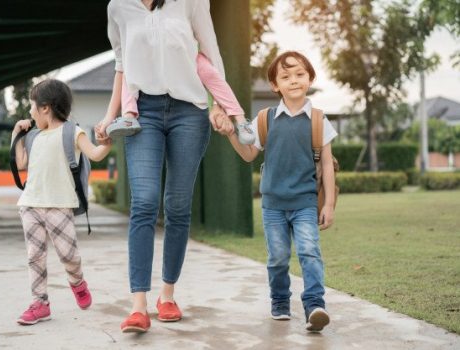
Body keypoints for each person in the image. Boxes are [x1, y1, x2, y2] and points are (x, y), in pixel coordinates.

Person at [97, 0, 234, 333]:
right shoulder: (119, 7)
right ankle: (138, 305)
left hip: (190, 111)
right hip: (142, 112)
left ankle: (167, 295)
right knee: (143, 201)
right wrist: (109, 114)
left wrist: (222, 105)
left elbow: (212, 52)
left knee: (177, 205)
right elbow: (121, 64)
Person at [225, 51, 338, 332]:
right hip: (273, 204)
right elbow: (249, 154)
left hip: (305, 203)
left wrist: (329, 205)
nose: (294, 81)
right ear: (275, 86)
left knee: (310, 252)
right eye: (285, 76)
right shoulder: (265, 119)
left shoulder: (318, 120)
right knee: (277, 258)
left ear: (310, 78)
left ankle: (315, 306)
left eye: (300, 74)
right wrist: (230, 134)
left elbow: (327, 164)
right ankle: (279, 302)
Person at [11, 79, 112, 325]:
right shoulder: (33, 136)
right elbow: (21, 163)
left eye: (32, 107)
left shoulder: (72, 132)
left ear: (46, 107)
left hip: (59, 204)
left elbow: (95, 154)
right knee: (35, 256)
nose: (31, 113)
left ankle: (77, 282)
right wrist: (17, 135)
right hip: (31, 204)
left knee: (68, 255)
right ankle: (40, 303)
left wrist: (106, 143)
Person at [113, 52, 254, 144]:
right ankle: (129, 117)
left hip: (184, 52)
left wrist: (216, 105)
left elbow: (213, 76)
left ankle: (241, 121)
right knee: (129, 67)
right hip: (151, 60)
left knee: (210, 73)